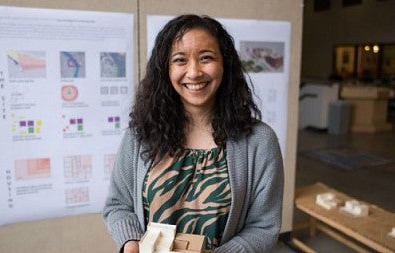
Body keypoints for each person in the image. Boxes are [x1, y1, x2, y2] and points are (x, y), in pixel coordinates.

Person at [103, 14, 284, 253]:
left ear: (225, 64)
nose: (194, 72)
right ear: (166, 69)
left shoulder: (259, 141)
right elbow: (118, 205)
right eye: (180, 60)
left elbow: (264, 227)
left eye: (206, 58)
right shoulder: (141, 134)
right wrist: (130, 243)